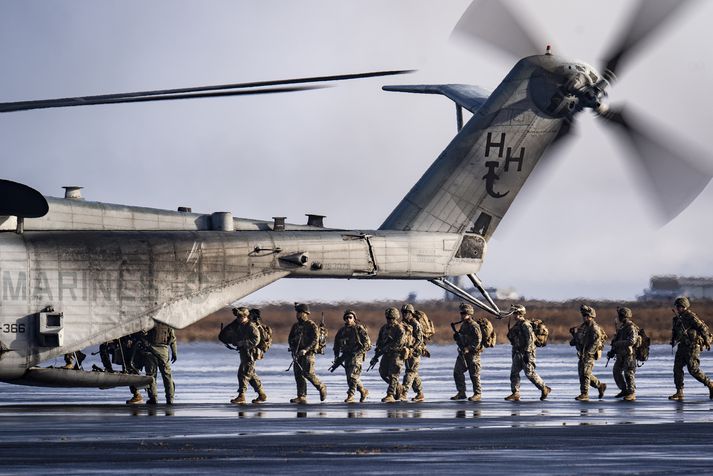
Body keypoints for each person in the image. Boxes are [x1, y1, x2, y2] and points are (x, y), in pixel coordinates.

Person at [669, 297, 713, 401]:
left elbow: (703, 328)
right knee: (677, 368)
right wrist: (673, 340)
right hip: (682, 347)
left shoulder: (691, 317)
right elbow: (675, 331)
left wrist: (707, 340)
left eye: (680, 306)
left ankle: (710, 384)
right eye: (677, 306)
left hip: (692, 347)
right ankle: (679, 391)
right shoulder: (677, 319)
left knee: (693, 370)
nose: (678, 308)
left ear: (684, 307)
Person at [505, 305, 550, 401]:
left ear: (520, 314)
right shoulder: (517, 325)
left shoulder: (526, 325)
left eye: (515, 313)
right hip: (518, 352)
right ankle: (515, 393)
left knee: (529, 373)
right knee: (514, 373)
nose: (514, 315)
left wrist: (527, 353)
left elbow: (530, 340)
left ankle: (544, 388)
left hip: (527, 353)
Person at [288, 303, 327, 404]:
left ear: (305, 313)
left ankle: (321, 386)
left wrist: (306, 349)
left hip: (308, 354)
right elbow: (290, 338)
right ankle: (301, 396)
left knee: (308, 373)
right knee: (298, 374)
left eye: (300, 312)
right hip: (297, 353)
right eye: (297, 312)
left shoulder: (311, 325)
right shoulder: (295, 326)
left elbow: (315, 339)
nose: (297, 314)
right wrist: (293, 349)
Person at [229, 307, 267, 405]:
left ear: (246, 316)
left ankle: (241, 395)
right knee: (251, 375)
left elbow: (256, 340)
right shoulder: (241, 326)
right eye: (238, 316)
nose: (239, 318)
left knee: (243, 374)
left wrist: (243, 343)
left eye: (241, 316)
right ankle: (261, 394)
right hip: (244, 354)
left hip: (250, 354)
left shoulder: (251, 326)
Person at [570, 304, 607, 401]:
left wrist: (588, 353)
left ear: (591, 316)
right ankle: (600, 385)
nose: (584, 317)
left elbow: (596, 342)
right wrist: (574, 334)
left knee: (585, 373)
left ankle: (584, 394)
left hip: (589, 354)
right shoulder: (583, 327)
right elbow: (577, 340)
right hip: (582, 353)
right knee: (583, 374)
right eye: (584, 316)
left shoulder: (594, 328)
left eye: (586, 316)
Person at [333, 309, 371, 403]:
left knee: (353, 376)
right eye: (346, 318)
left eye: (350, 317)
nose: (348, 319)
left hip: (357, 355)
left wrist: (358, 352)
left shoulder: (359, 329)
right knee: (349, 378)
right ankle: (363, 390)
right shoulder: (342, 331)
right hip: (347, 356)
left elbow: (367, 344)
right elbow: (336, 345)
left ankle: (351, 395)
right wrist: (336, 357)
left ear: (354, 318)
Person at [370, 307, 407, 403]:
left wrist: (387, 348)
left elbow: (399, 343)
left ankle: (390, 394)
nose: (390, 320)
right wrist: (377, 352)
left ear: (396, 318)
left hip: (396, 354)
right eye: (388, 318)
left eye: (392, 318)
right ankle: (398, 386)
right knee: (383, 373)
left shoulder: (400, 329)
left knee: (393, 374)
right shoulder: (384, 328)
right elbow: (380, 341)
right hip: (386, 354)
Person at [451, 303, 483, 402]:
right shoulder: (464, 325)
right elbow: (462, 337)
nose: (462, 315)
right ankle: (461, 392)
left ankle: (477, 393)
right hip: (463, 353)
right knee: (457, 371)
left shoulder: (474, 326)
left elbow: (478, 341)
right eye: (461, 313)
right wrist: (457, 337)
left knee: (474, 374)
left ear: (469, 314)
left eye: (464, 313)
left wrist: (468, 348)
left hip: (473, 354)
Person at [607, 307, 638, 402]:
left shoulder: (631, 327)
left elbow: (632, 341)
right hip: (620, 355)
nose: (619, 317)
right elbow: (616, 340)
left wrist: (618, 343)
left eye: (620, 316)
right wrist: (613, 351)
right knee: (616, 372)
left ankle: (631, 393)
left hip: (629, 355)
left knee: (628, 373)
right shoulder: (622, 327)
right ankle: (624, 390)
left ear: (624, 316)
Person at [143, 321, 178, 405]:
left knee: (151, 376)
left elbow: (141, 334)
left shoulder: (148, 321)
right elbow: (172, 338)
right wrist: (174, 352)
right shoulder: (167, 322)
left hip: (150, 351)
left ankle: (153, 398)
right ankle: (170, 399)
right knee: (167, 376)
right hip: (163, 352)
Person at [400, 303, 425, 402]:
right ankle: (420, 393)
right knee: (413, 373)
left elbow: (419, 339)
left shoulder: (415, 323)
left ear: (411, 313)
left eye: (406, 312)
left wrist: (412, 349)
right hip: (407, 352)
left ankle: (404, 393)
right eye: (403, 312)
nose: (404, 314)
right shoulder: (403, 323)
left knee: (410, 373)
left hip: (415, 352)